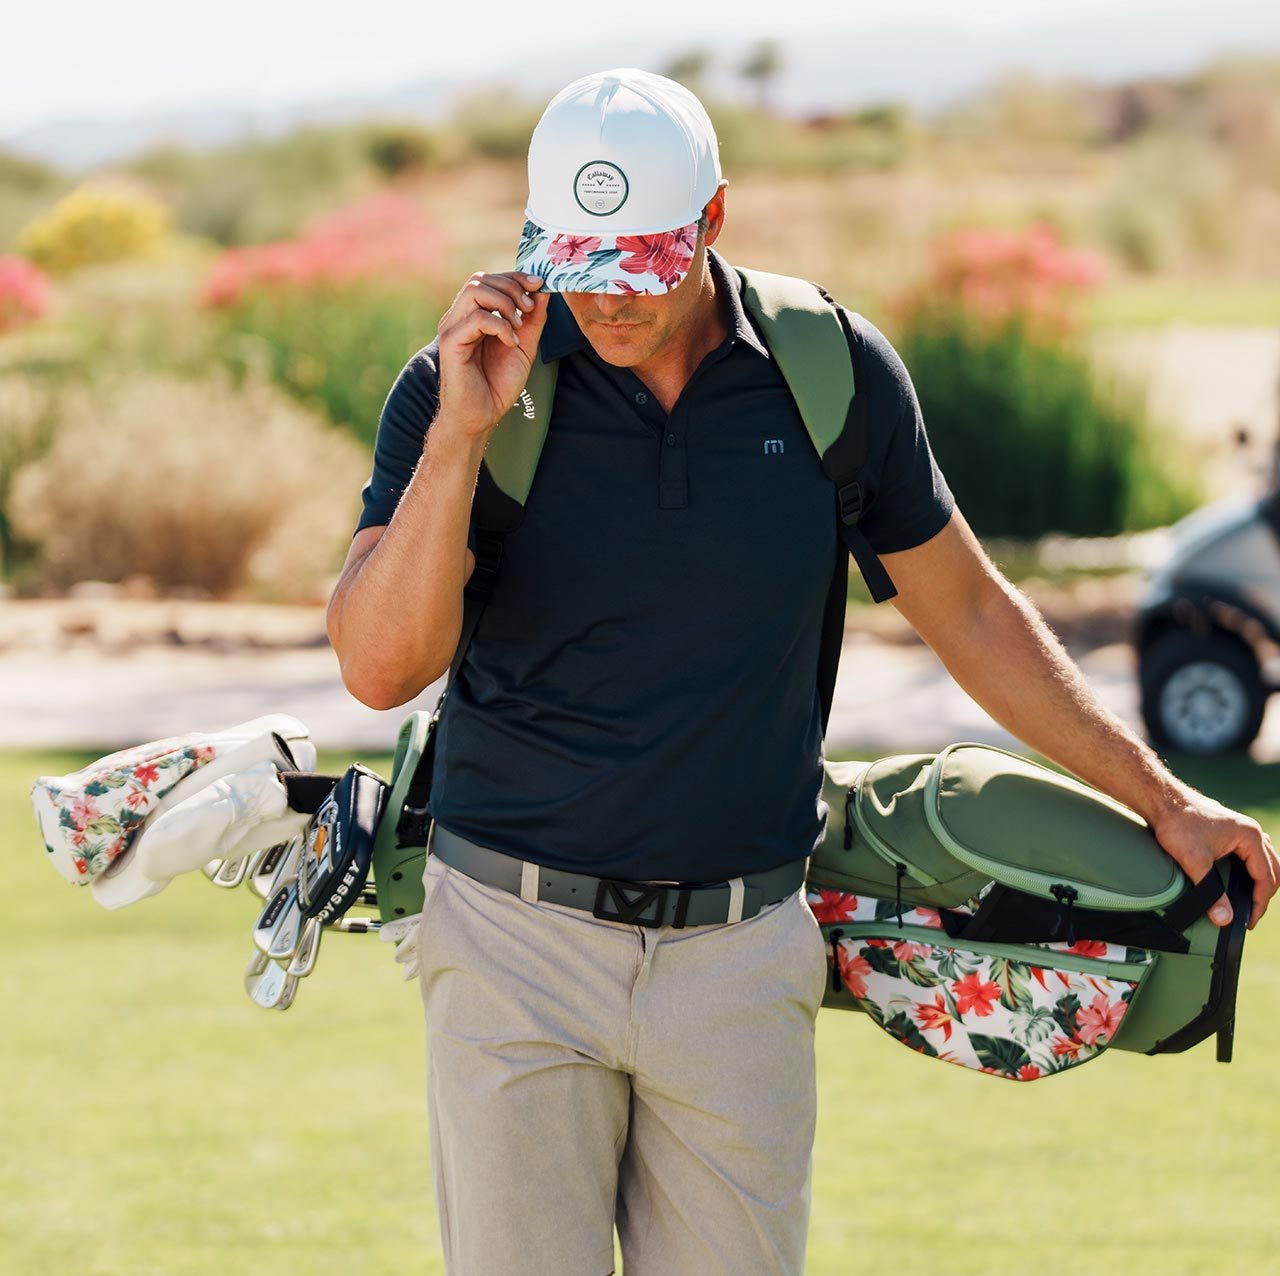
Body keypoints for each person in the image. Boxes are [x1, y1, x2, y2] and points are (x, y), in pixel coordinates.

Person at [326, 67, 1279, 1276]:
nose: (605, 304)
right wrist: (460, 438)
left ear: (712, 221)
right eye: (577, 260)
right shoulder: (464, 382)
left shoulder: (826, 369)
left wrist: (1167, 797)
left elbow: (972, 616)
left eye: (641, 264)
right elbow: (376, 665)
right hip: (513, 945)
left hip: (738, 951)